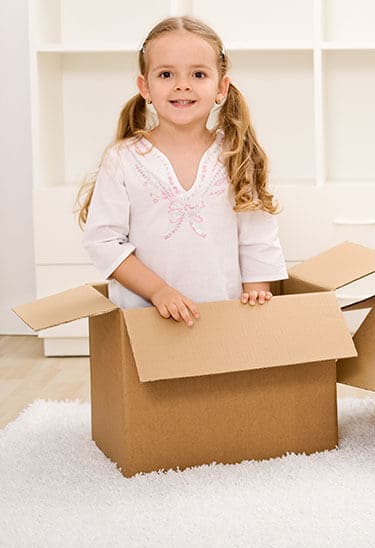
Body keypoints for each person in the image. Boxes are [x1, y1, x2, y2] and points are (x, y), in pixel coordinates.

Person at [77, 16, 287, 327]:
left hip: (223, 319)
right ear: (145, 87)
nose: (182, 85)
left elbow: (257, 235)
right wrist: (159, 291)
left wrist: (256, 292)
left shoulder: (236, 155)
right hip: (145, 322)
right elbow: (104, 241)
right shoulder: (122, 159)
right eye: (166, 74)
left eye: (198, 74)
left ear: (221, 87)